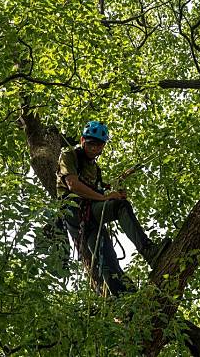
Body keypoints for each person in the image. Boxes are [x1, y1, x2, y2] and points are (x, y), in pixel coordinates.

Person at [56, 120, 171, 296]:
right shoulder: (69, 155)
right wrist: (105, 198)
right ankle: (149, 251)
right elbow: (73, 185)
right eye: (91, 143)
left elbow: (99, 190)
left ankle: (125, 300)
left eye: (99, 145)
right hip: (75, 212)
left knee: (108, 259)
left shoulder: (95, 170)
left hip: (92, 218)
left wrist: (110, 193)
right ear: (82, 140)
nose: (95, 148)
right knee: (120, 207)